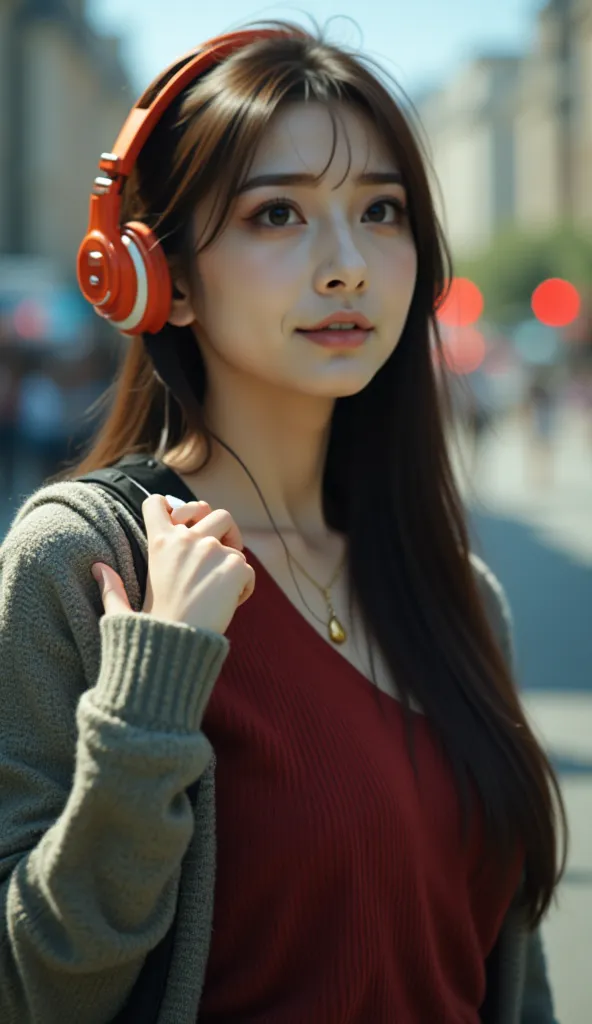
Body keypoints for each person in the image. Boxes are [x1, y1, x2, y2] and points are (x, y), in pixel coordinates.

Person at [0, 23, 567, 1024]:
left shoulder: (457, 594)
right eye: (277, 214)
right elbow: (35, 985)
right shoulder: (85, 565)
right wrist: (152, 684)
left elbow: (513, 983)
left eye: (380, 210)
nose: (346, 264)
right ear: (152, 276)